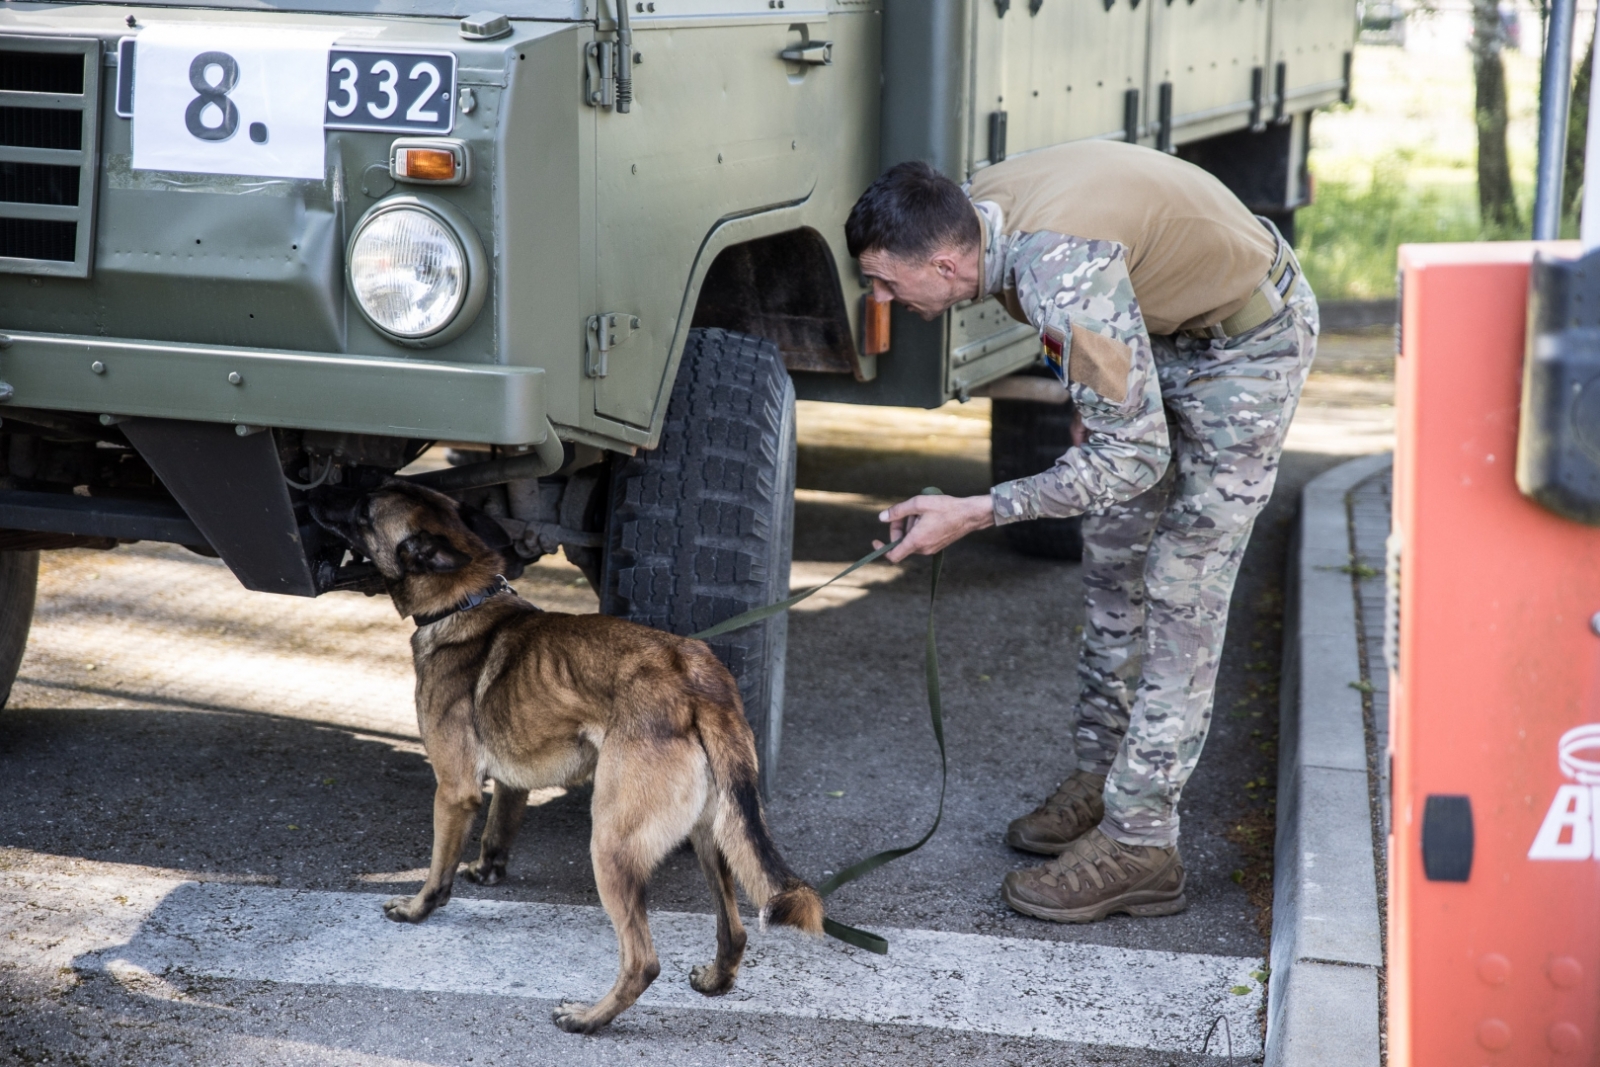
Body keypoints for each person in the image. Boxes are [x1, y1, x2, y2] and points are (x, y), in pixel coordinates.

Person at [846, 140, 1318, 923]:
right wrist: (1097, 399)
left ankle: (1143, 843)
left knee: (1180, 585)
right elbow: (1104, 335)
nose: (884, 299)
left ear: (942, 268)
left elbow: (1129, 459)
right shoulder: (975, 216)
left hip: (1247, 345)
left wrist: (976, 511)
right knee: (1113, 556)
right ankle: (1105, 776)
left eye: (885, 282)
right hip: (1168, 333)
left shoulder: (1054, 265)